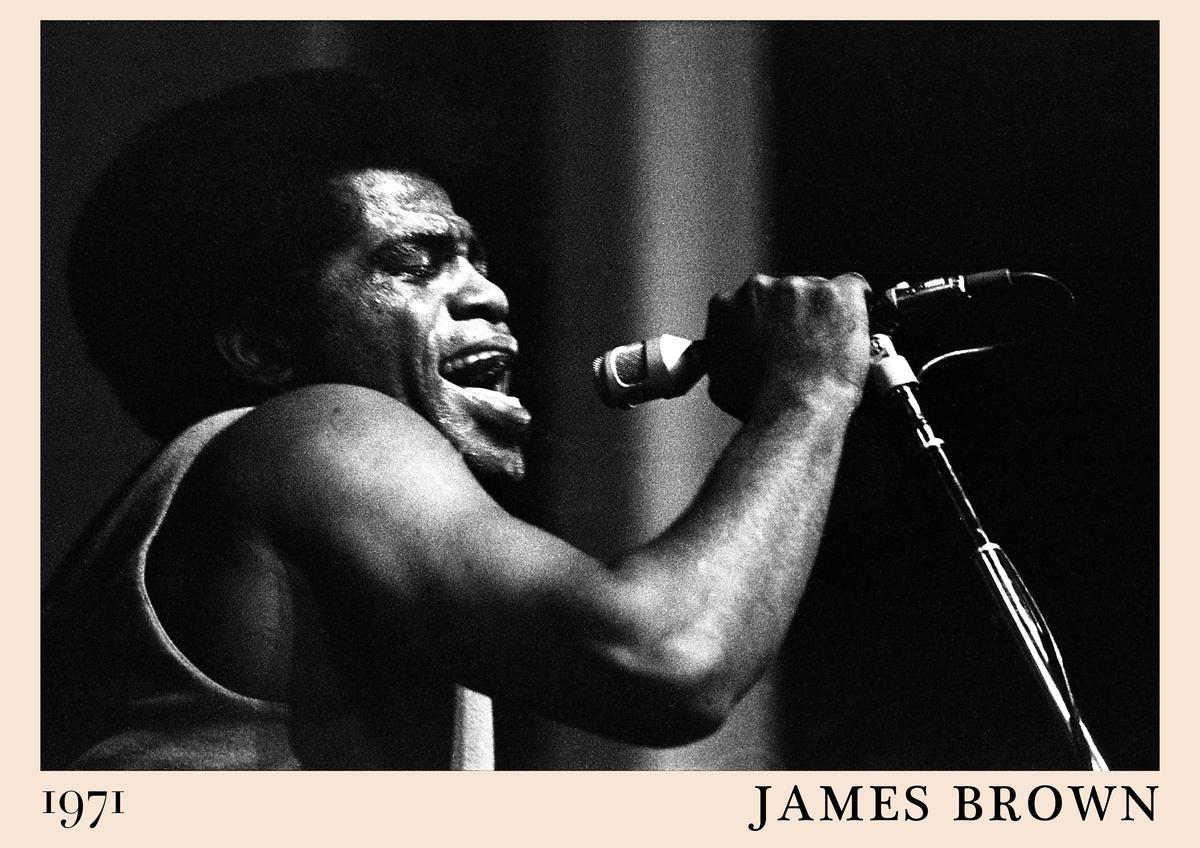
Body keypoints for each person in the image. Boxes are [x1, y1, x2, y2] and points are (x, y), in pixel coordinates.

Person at [42, 68, 872, 769]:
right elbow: (670, 657)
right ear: (263, 346)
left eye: (476, 258)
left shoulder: (260, 501)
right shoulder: (315, 433)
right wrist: (807, 393)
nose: (489, 294)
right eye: (416, 262)